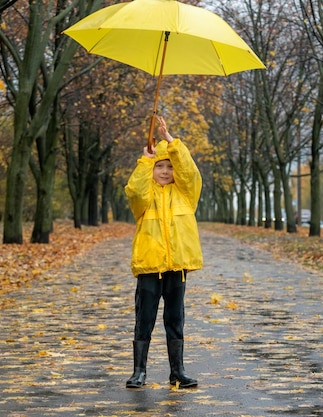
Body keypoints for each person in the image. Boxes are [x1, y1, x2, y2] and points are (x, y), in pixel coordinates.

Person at [124, 115, 203, 389]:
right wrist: (146, 160)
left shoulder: (185, 194)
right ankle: (139, 371)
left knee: (175, 319)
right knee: (144, 318)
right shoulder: (145, 198)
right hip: (150, 266)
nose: (166, 171)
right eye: (161, 166)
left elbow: (190, 173)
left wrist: (172, 142)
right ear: (153, 169)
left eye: (170, 166)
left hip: (176, 267)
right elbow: (134, 189)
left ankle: (177, 371)